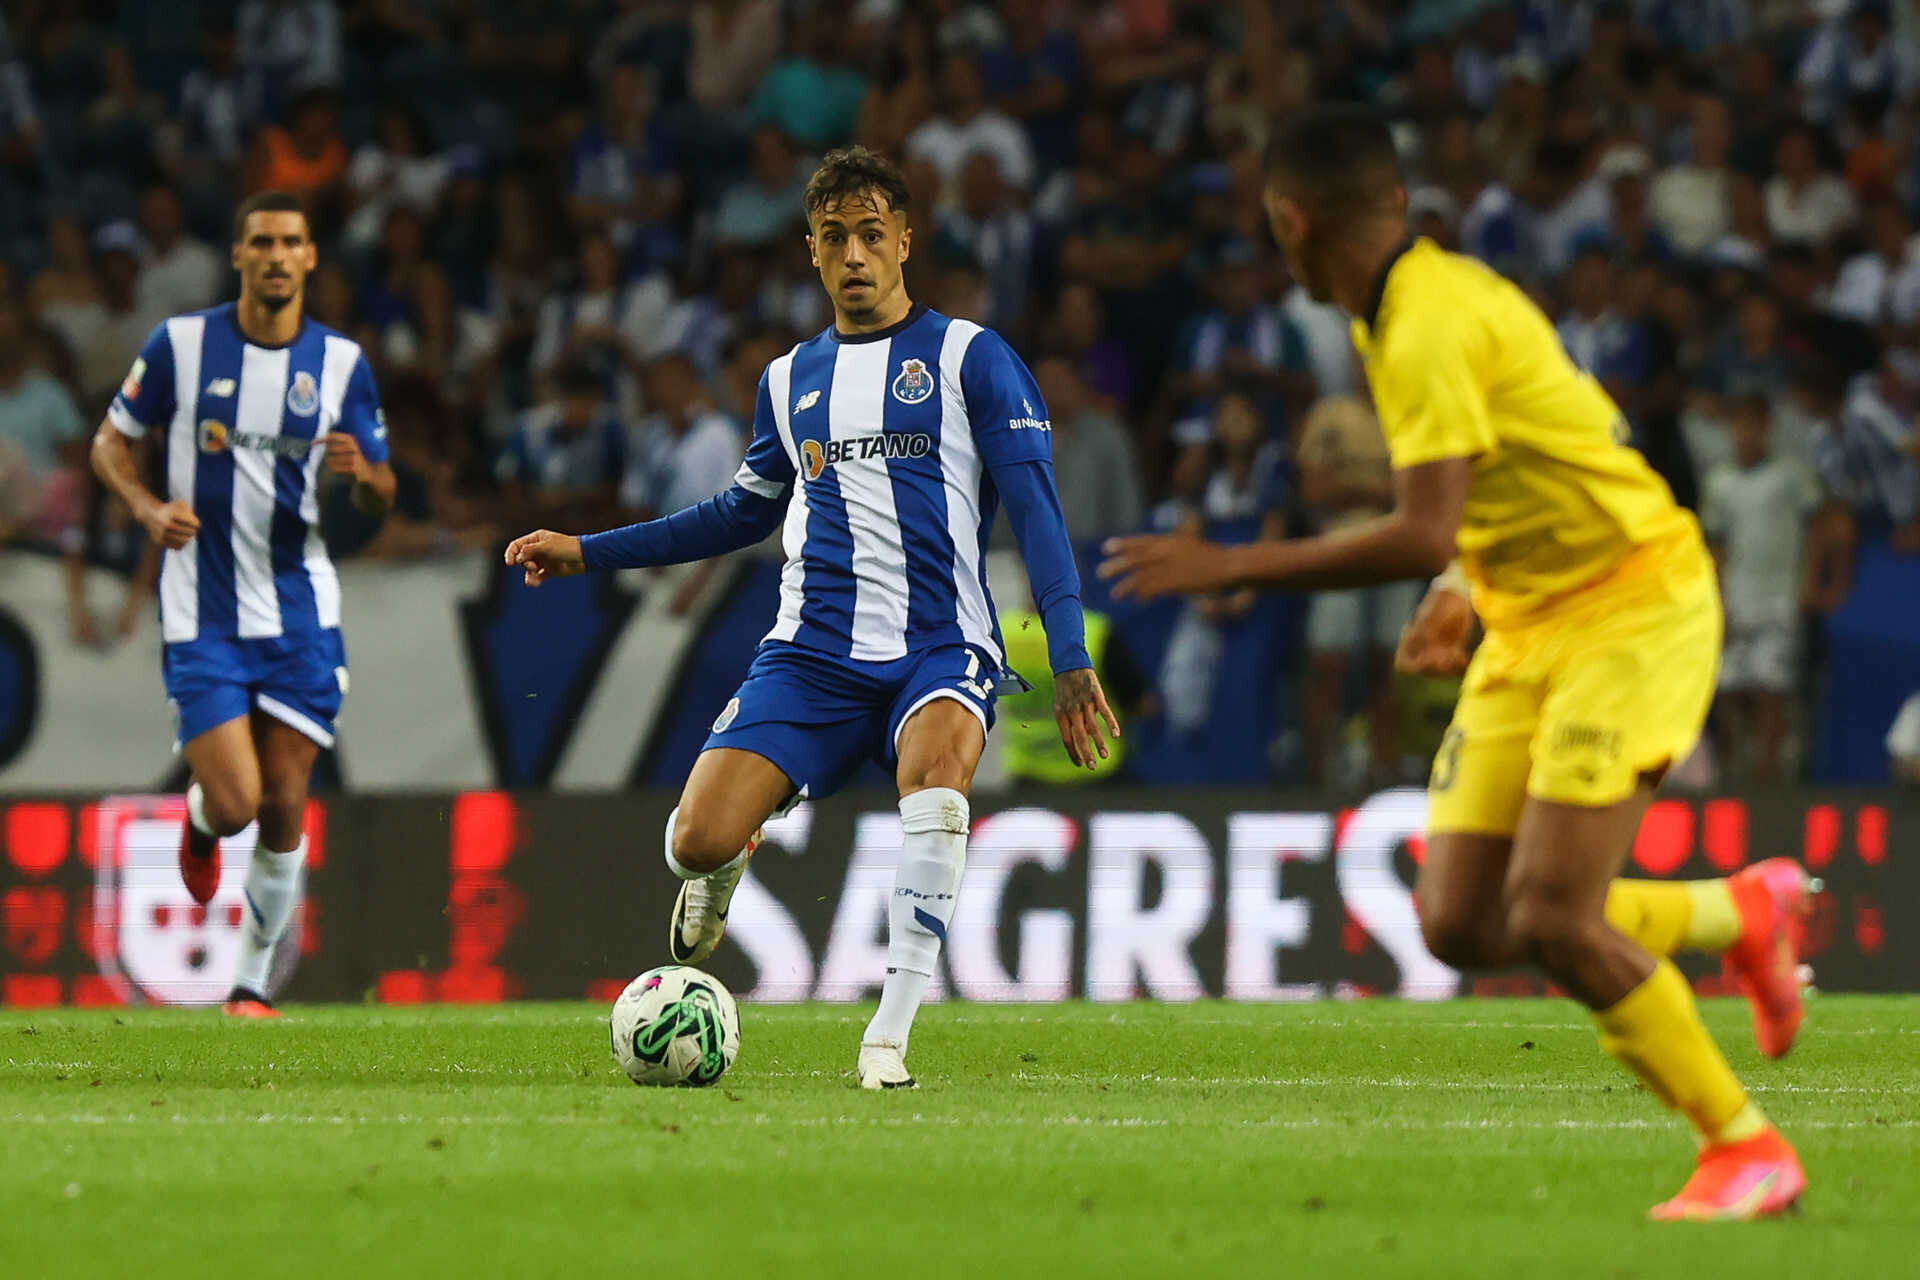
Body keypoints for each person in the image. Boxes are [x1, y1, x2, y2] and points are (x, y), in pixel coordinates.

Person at [1100, 105, 1814, 1221]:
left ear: (1289, 220)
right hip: (1529, 616)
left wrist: (1229, 558)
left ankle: (1744, 1145)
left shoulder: (1426, 321)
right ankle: (1743, 914)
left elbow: (1423, 522)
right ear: (1391, 202)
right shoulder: (1404, 307)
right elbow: (1521, 467)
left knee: (1557, 916)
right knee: (1461, 920)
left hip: (1630, 608)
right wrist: (1462, 588)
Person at [507, 146, 1115, 1089]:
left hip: (939, 645)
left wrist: (1069, 653)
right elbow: (737, 514)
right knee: (689, 843)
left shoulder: (970, 358)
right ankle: (732, 852)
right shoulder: (790, 381)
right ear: (813, 252)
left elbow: (1035, 509)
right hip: (811, 655)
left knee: (940, 787)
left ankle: (888, 1037)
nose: (856, 255)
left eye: (873, 235)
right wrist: (589, 549)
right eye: (836, 238)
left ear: (906, 243)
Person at [89, 190, 395, 1019]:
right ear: (238, 256)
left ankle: (250, 985)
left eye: (290, 241)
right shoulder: (181, 347)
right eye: (259, 240)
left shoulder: (339, 364)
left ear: (309, 258)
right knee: (233, 803)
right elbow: (109, 443)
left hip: (301, 611)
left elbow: (383, 491)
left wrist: (361, 479)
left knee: (285, 799)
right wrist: (149, 509)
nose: (273, 254)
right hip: (204, 612)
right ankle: (196, 820)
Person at [1701, 395, 1821, 781]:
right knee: (1731, 692)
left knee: (1770, 688)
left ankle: (1768, 778)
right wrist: (1715, 597)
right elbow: (1716, 544)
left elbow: (1820, 528)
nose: (1745, 433)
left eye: (1753, 425)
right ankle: (1734, 774)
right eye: (1739, 425)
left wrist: (1810, 580)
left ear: (1767, 428)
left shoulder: (1791, 475)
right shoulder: (1719, 482)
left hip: (1780, 597)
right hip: (1737, 597)